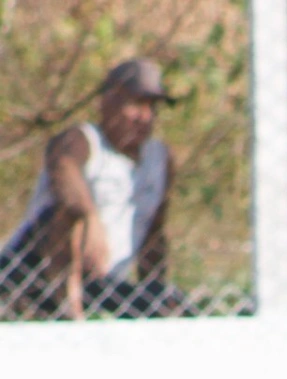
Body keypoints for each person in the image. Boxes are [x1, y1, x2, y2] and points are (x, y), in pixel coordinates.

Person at [0, 58, 188, 320]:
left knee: (175, 307)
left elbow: (154, 234)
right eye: (135, 104)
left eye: (152, 107)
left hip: (101, 281)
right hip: (33, 272)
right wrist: (89, 216)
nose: (144, 117)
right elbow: (63, 166)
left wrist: (154, 293)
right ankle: (68, 315)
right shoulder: (83, 140)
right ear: (107, 102)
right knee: (68, 214)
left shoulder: (159, 158)